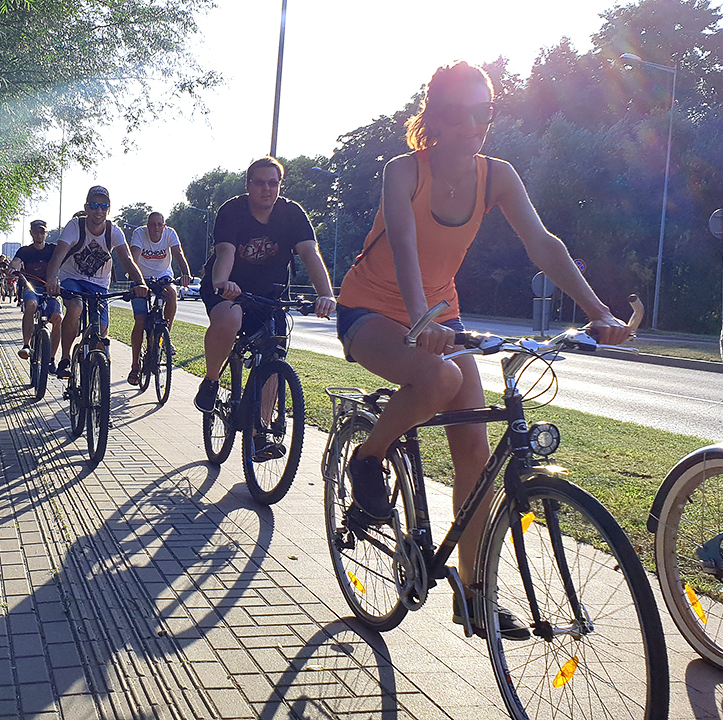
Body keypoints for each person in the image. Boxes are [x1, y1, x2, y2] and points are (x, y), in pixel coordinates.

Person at [334, 61, 632, 638]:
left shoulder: (497, 175)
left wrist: (598, 312)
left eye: (483, 113)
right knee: (439, 382)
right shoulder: (404, 172)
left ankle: (474, 594)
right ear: (434, 117)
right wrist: (422, 323)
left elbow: (543, 244)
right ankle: (368, 456)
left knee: (474, 443)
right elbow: (402, 245)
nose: (471, 125)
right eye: (456, 113)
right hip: (371, 306)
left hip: (439, 313)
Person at [193, 156, 336, 413]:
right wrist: (222, 282)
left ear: (280, 185)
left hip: (270, 295)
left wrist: (326, 295)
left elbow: (309, 254)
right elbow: (226, 252)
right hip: (229, 289)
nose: (266, 189)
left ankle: (261, 432)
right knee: (229, 316)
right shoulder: (232, 211)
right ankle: (212, 380)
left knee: (274, 353)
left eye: (273, 183)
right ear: (248, 185)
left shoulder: (292, 213)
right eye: (259, 183)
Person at [46, 186, 148, 379]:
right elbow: (58, 256)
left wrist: (140, 283)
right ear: (86, 207)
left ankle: (93, 376)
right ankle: (66, 358)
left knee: (101, 334)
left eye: (103, 206)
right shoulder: (75, 226)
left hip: (99, 285)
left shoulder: (114, 231)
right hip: (72, 278)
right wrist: (52, 280)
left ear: (109, 209)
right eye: (94, 205)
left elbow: (127, 259)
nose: (98, 210)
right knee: (75, 307)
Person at [125, 212, 193, 385]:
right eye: (152, 225)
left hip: (163, 277)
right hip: (141, 279)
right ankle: (135, 366)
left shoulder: (170, 233)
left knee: (171, 293)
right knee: (140, 321)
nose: (156, 228)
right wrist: (136, 279)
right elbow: (133, 256)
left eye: (159, 224)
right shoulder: (140, 233)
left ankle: (164, 337)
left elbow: (178, 254)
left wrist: (186, 273)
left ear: (164, 225)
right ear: (147, 226)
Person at [11, 219, 63, 363]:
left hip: (50, 288)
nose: (39, 235)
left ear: (46, 233)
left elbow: (64, 258)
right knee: (31, 305)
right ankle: (26, 345)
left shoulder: (53, 249)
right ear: (31, 233)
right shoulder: (25, 251)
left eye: (42, 232)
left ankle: (51, 358)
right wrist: (12, 268)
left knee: (58, 318)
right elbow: (15, 262)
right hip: (31, 287)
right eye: (36, 232)